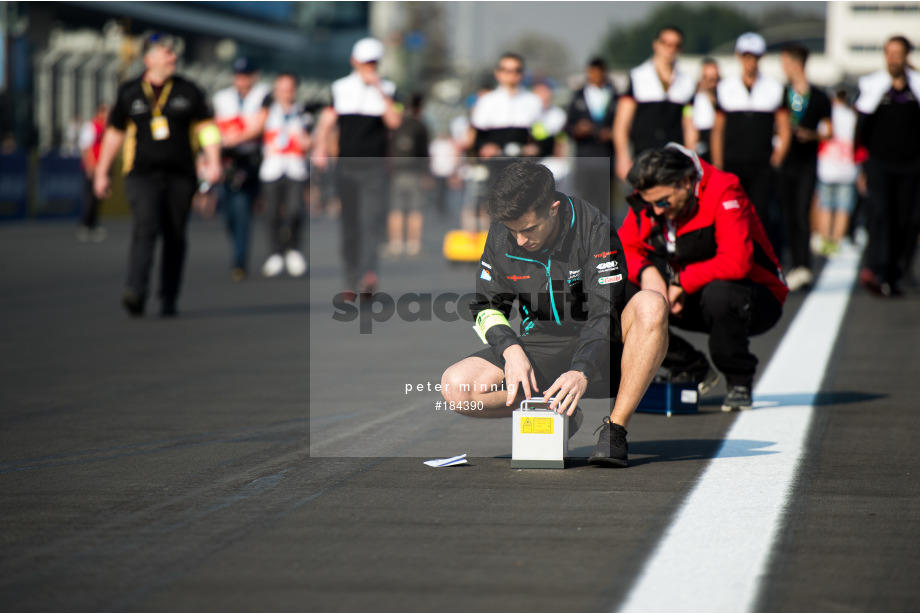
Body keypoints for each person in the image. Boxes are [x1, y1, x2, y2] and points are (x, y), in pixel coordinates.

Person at [440, 160, 669, 467]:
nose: (521, 240)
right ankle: (557, 408)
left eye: (529, 229)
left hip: (607, 347)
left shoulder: (594, 227)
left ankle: (615, 430)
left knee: (652, 303)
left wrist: (582, 370)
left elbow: (605, 311)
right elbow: (486, 306)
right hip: (543, 344)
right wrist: (510, 350)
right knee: (456, 387)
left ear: (553, 208)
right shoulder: (501, 235)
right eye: (513, 231)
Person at [619, 145, 788, 411]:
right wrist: (647, 273)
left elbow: (737, 261)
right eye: (651, 204)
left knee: (721, 294)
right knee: (617, 290)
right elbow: (624, 247)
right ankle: (691, 366)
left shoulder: (724, 189)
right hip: (684, 294)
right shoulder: (649, 198)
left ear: (686, 182)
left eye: (663, 202)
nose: (658, 211)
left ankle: (739, 381)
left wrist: (682, 282)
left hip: (754, 297)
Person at [94, 32, 221, 317]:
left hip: (181, 175)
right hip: (141, 175)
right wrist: (102, 173)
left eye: (174, 53)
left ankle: (169, 296)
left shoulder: (190, 91)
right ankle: (136, 291)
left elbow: (206, 128)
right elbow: (114, 134)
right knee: (145, 227)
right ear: (148, 58)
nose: (173, 57)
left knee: (175, 234)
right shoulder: (130, 92)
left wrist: (213, 160)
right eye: (166, 52)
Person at [313, 37, 402, 296]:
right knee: (349, 223)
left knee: (370, 222)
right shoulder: (340, 88)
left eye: (373, 63)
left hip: (374, 168)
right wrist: (319, 147)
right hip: (346, 167)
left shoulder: (388, 89)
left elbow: (394, 122)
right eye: (365, 62)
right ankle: (351, 277)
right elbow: (327, 121)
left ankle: (368, 275)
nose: (369, 67)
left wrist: (379, 90)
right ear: (354, 61)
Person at [711, 32, 791, 254]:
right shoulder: (725, 88)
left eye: (754, 56)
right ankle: (732, 254)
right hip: (732, 162)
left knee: (760, 214)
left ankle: (758, 258)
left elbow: (784, 126)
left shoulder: (774, 88)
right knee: (731, 212)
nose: (750, 61)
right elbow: (718, 130)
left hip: (762, 164)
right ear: (738, 56)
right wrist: (718, 164)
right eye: (746, 56)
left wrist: (778, 157)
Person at [854, 35, 920, 297]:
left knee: (907, 219)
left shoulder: (915, 87)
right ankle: (877, 269)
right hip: (880, 163)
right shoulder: (873, 86)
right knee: (880, 215)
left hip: (912, 165)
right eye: (889, 53)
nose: (893, 59)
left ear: (906, 56)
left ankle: (898, 270)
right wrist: (860, 166)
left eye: (898, 54)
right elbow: (861, 130)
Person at [212, 57, 271, 282]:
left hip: (250, 159)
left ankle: (239, 261)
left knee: (242, 208)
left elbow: (260, 126)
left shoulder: (264, 96)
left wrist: (235, 139)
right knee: (228, 213)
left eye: (246, 74)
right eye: (238, 74)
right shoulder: (222, 99)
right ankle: (237, 246)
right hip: (226, 160)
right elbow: (212, 126)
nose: (241, 79)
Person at [778, 44, 832, 291]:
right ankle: (794, 265)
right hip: (784, 162)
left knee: (801, 212)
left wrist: (812, 136)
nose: (783, 68)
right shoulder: (781, 93)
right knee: (787, 215)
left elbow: (828, 131)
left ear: (796, 64)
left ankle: (804, 266)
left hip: (807, 162)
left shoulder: (819, 97)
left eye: (785, 62)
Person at [613, 26, 696, 182]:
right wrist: (623, 157)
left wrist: (691, 156)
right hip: (643, 157)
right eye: (666, 43)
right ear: (656, 44)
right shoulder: (637, 77)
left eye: (675, 45)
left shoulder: (687, 83)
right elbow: (621, 124)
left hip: (674, 160)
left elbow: (689, 124)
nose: (670, 49)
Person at [258, 73, 312, 278]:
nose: (285, 92)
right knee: (271, 212)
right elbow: (257, 131)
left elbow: (309, 141)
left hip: (295, 168)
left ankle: (293, 249)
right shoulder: (266, 112)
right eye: (281, 88)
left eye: (289, 88)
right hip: (272, 168)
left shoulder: (302, 112)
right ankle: (275, 253)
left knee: (295, 211)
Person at [567, 57, 618, 215]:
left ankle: (605, 237)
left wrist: (612, 132)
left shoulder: (614, 95)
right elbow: (568, 126)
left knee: (605, 203)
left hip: (606, 155)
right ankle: (584, 236)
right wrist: (578, 129)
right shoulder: (579, 96)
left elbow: (623, 125)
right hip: (585, 156)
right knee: (584, 200)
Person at [470, 53, 543, 161]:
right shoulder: (486, 101)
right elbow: (478, 136)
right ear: (497, 73)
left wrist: (536, 147)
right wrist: (485, 147)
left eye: (516, 70)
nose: (512, 75)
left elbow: (541, 133)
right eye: (507, 70)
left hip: (523, 162)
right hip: (495, 161)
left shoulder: (534, 101)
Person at [815, 87, 859, 257]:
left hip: (827, 166)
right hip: (847, 167)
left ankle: (825, 240)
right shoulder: (851, 116)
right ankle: (836, 242)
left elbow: (822, 135)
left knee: (826, 205)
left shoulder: (828, 115)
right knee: (843, 208)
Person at [386, 93, 430, 258]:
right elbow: (425, 152)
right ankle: (413, 244)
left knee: (398, 209)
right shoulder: (419, 126)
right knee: (412, 209)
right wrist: (426, 173)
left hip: (399, 173)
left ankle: (398, 243)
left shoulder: (391, 126)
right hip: (410, 173)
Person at [77, 103, 109, 242]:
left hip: (103, 167)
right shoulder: (91, 126)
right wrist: (90, 166)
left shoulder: (107, 127)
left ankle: (93, 223)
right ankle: (85, 224)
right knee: (89, 197)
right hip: (93, 167)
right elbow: (86, 147)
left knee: (98, 197)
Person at [691, 58, 719, 164]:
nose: (710, 83)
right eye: (706, 78)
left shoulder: (724, 99)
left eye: (714, 79)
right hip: (701, 141)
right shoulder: (694, 100)